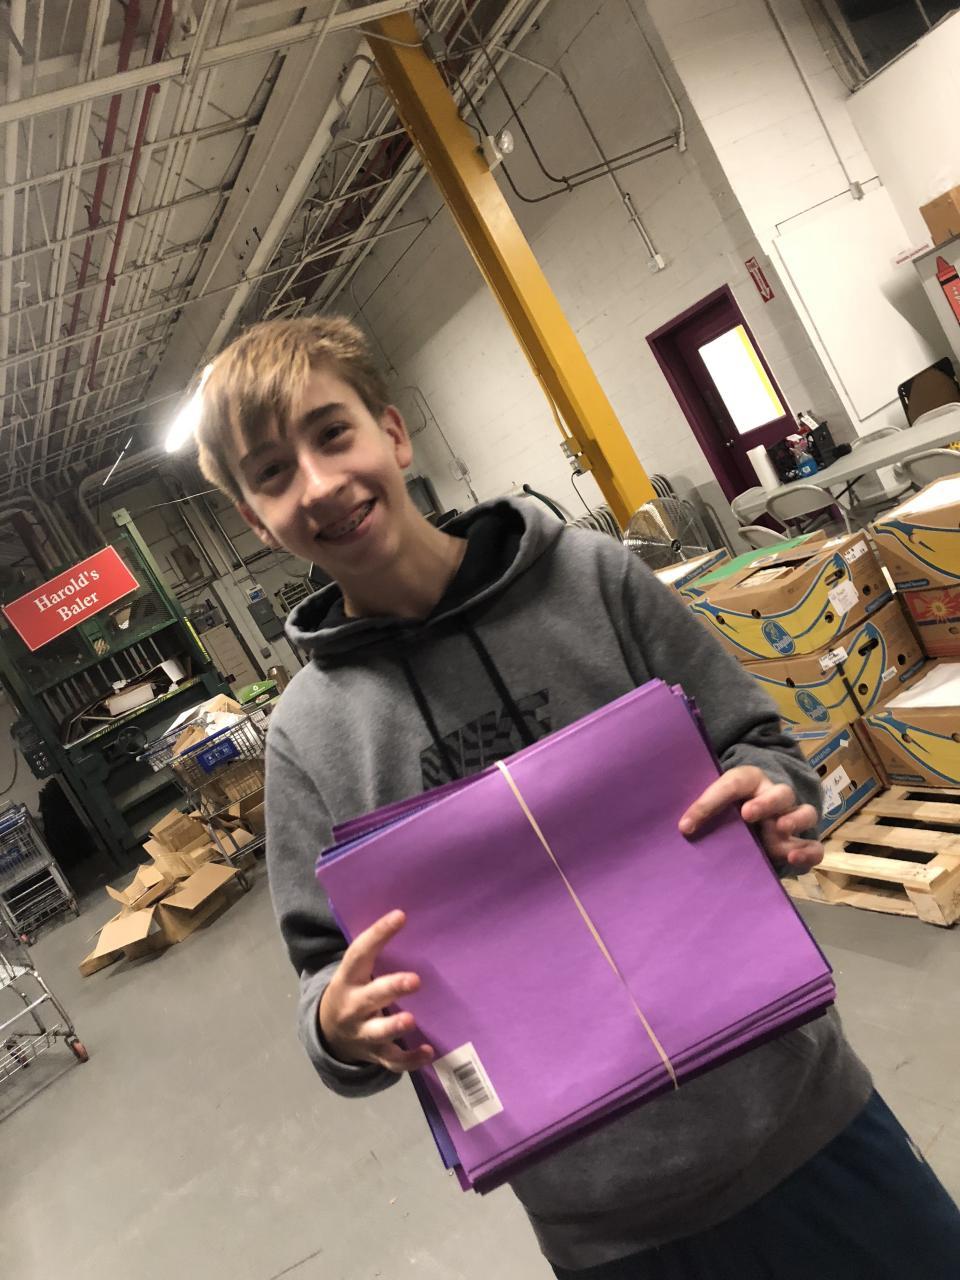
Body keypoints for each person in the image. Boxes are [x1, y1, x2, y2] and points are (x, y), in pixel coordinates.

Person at [194, 316, 960, 1278]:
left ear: (392, 432)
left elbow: (759, 743)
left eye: (331, 433)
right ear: (255, 521)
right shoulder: (308, 738)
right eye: (272, 474)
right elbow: (322, 972)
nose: (316, 484)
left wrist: (770, 793)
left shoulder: (590, 581)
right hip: (606, 1225)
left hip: (803, 1123)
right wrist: (338, 1025)